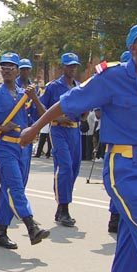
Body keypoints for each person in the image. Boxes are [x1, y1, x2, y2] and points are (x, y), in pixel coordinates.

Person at [20, 21, 137, 272]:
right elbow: (68, 102)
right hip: (126, 167)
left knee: (133, 235)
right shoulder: (112, 76)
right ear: (133, 47)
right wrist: (34, 129)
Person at [0, 52, 49, 250]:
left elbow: (44, 117)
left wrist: (35, 98)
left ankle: (1, 232)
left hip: (23, 147)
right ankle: (31, 226)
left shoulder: (27, 94)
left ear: (17, 71)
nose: (6, 70)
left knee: (13, 188)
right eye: (3, 66)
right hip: (3, 145)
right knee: (14, 186)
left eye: (10, 67)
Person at [40, 52, 82, 227]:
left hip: (75, 131)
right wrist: (56, 119)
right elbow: (41, 108)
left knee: (74, 170)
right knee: (64, 168)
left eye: (74, 65)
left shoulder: (80, 86)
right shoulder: (53, 87)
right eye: (69, 65)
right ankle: (64, 207)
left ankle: (62, 206)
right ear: (63, 67)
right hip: (58, 130)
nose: (72, 68)